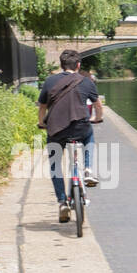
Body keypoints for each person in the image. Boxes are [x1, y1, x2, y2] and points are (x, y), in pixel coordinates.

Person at [38, 49, 103, 223]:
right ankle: (88, 169)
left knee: (55, 165)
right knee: (89, 135)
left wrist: (42, 123)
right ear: (78, 65)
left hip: (57, 130)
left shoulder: (50, 81)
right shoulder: (86, 82)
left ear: (61, 65)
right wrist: (97, 118)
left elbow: (42, 107)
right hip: (80, 127)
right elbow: (98, 106)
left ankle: (62, 202)